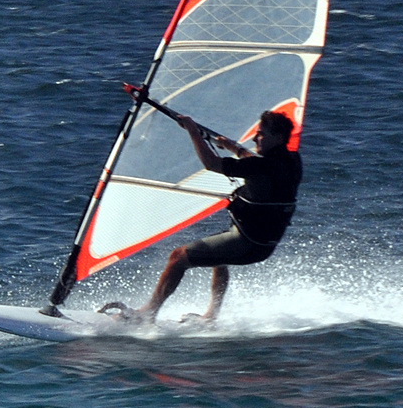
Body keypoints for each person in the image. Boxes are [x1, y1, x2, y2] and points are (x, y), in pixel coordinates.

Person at [101, 108, 301, 324]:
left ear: (278, 138)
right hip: (263, 245)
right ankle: (211, 316)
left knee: (178, 258)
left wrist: (192, 131)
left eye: (261, 134)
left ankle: (147, 313)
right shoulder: (292, 161)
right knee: (219, 257)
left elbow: (212, 164)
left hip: (246, 242)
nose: (255, 137)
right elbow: (254, 162)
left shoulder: (260, 166)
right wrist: (233, 147)